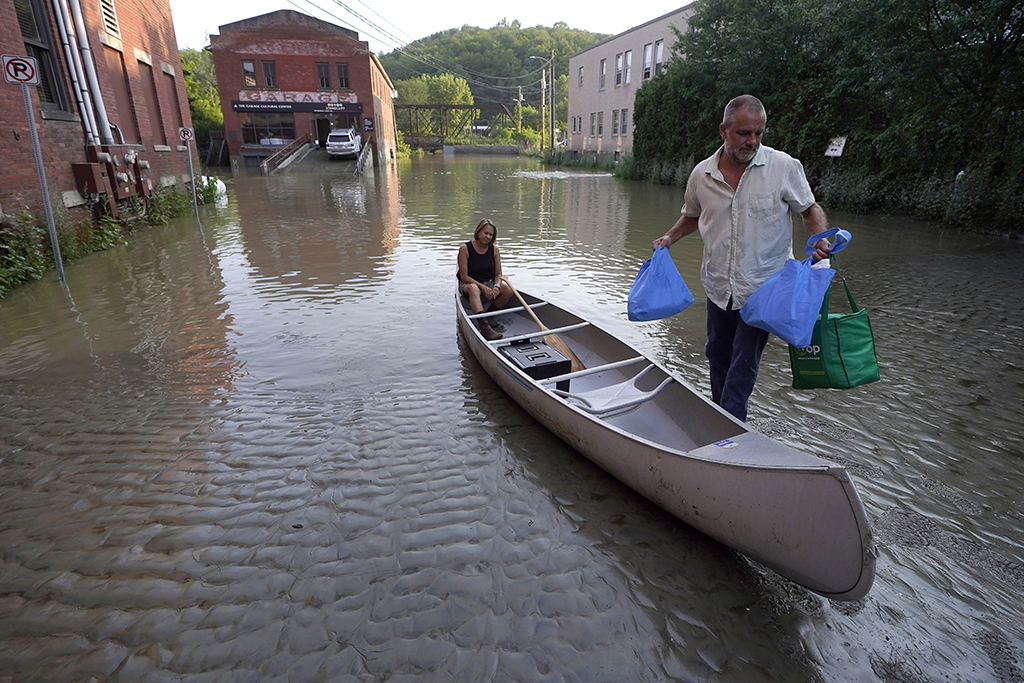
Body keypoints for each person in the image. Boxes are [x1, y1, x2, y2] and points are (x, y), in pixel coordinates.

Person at [652, 95, 832, 421]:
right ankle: (724, 420)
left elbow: (809, 209)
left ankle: (729, 430)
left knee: (743, 363)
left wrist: (819, 241)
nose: (752, 141)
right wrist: (669, 237)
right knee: (716, 354)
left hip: (765, 287)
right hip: (718, 284)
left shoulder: (783, 167)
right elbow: (693, 216)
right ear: (724, 130)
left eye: (758, 133)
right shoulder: (701, 175)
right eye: (744, 133)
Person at [458, 219, 513, 340]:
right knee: (473, 289)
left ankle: (488, 314)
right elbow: (464, 277)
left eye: (491, 234)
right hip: (469, 284)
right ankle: (485, 328)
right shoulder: (465, 249)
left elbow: (498, 274)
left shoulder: (494, 250)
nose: (488, 237)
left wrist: (496, 287)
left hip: (488, 282)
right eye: (485, 233)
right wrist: (483, 288)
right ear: (478, 231)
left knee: (507, 290)